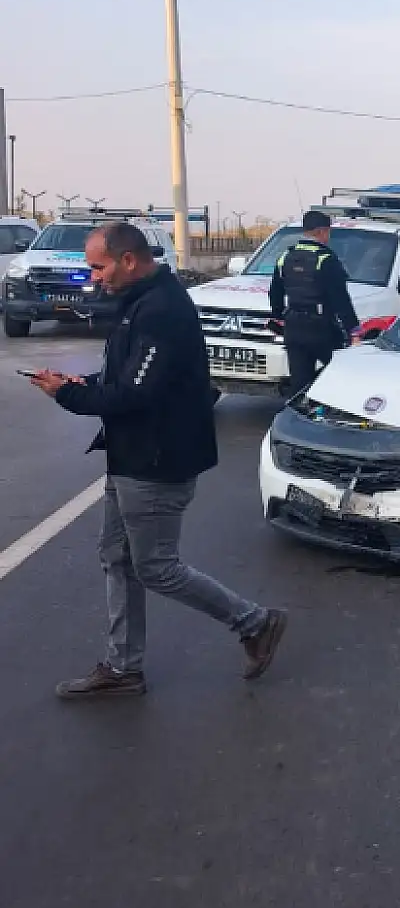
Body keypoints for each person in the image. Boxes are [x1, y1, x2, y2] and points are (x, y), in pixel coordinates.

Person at [28, 222, 288, 700]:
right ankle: (124, 667)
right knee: (117, 558)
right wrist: (79, 383)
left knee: (155, 567)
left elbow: (137, 394)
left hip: (156, 460)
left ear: (129, 260)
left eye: (98, 266)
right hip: (130, 455)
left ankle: (255, 622)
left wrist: (67, 395)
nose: (94, 277)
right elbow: (122, 377)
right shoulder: (139, 303)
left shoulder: (162, 310)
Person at [269, 210, 360, 395]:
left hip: (293, 328)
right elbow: (340, 299)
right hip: (321, 329)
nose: (328, 236)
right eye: (328, 232)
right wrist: (354, 331)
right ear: (321, 232)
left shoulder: (285, 256)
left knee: (299, 384)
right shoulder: (326, 259)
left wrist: (279, 316)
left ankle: (298, 418)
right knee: (339, 374)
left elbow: (275, 292)